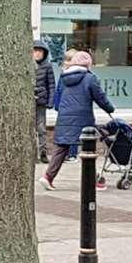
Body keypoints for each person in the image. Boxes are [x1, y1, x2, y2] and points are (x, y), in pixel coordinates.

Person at [43, 49, 116, 190]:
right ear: (88, 64)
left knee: (62, 148)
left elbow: (59, 96)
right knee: (88, 149)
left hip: (64, 117)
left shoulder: (64, 77)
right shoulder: (90, 78)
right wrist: (110, 109)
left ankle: (47, 177)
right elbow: (100, 97)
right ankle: (94, 181)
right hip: (83, 118)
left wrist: (60, 110)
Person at [33, 43, 55, 162]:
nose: (37, 53)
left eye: (40, 51)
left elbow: (51, 85)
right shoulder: (27, 65)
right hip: (29, 102)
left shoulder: (47, 66)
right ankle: (31, 153)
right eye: (35, 51)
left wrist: (50, 101)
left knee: (41, 128)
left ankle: (43, 152)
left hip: (41, 102)